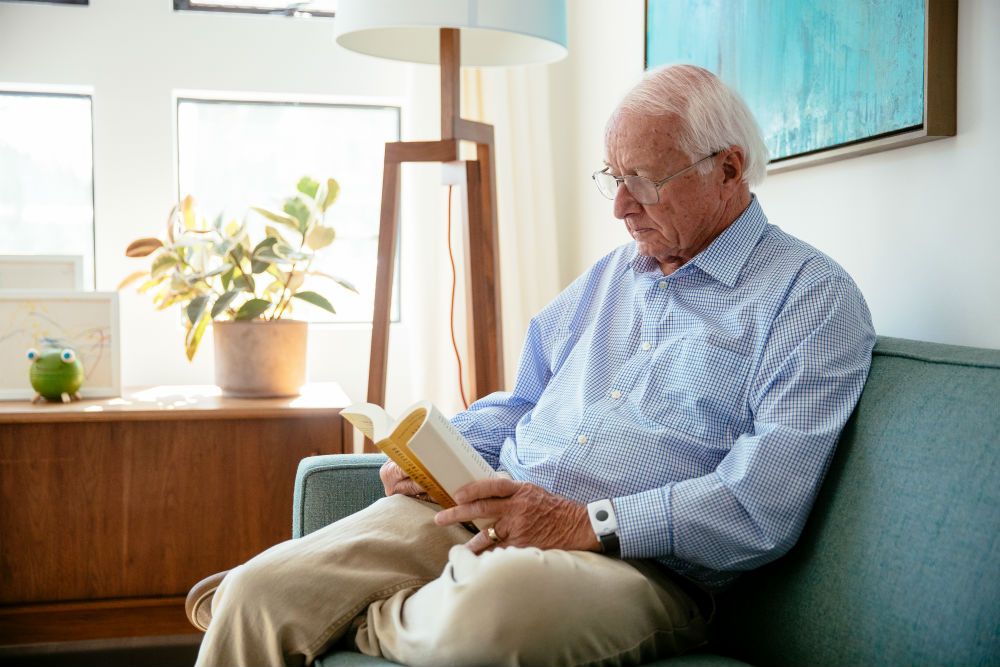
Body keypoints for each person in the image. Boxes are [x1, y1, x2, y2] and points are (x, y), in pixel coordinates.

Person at [194, 64, 876, 667]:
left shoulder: (811, 299)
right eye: (614, 177)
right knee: (257, 592)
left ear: (728, 169)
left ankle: (368, 618)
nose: (618, 205)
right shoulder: (614, 273)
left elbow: (759, 505)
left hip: (634, 566)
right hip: (492, 511)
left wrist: (587, 522)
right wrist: (443, 449)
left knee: (485, 616)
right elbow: (524, 400)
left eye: (642, 180)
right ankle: (381, 605)